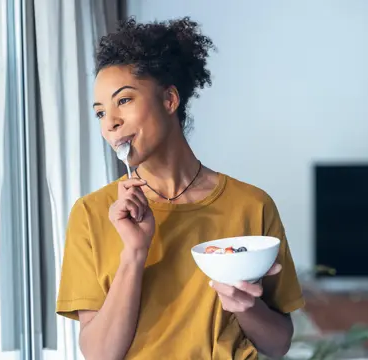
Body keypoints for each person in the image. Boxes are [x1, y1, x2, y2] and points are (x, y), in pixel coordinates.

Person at [56, 17, 305, 360]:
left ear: (170, 100)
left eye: (124, 101)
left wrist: (245, 306)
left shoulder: (252, 205)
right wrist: (134, 253)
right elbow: (99, 355)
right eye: (100, 113)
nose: (110, 122)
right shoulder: (92, 213)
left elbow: (278, 344)